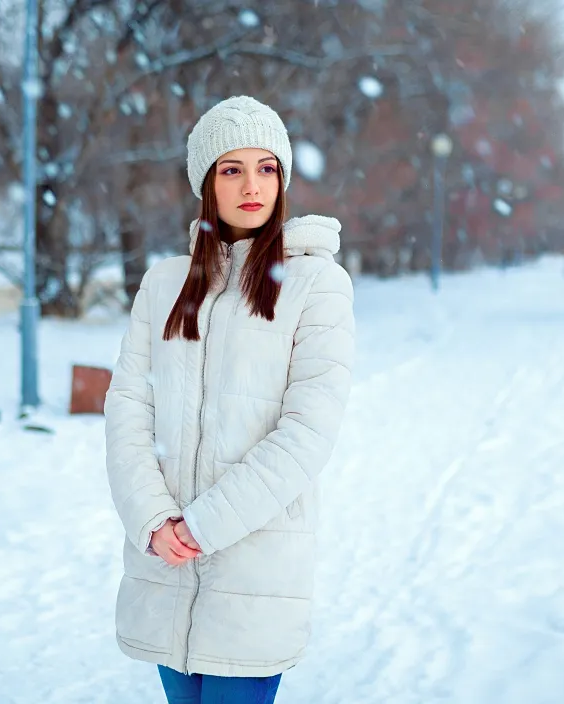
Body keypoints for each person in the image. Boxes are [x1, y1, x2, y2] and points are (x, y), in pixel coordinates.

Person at [103, 95, 356, 704]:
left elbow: (307, 433)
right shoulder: (164, 284)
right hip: (165, 566)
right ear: (206, 183)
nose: (251, 185)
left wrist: (203, 525)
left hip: (255, 568)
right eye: (231, 168)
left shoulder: (316, 285)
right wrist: (153, 519)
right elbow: (128, 409)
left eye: (266, 167)